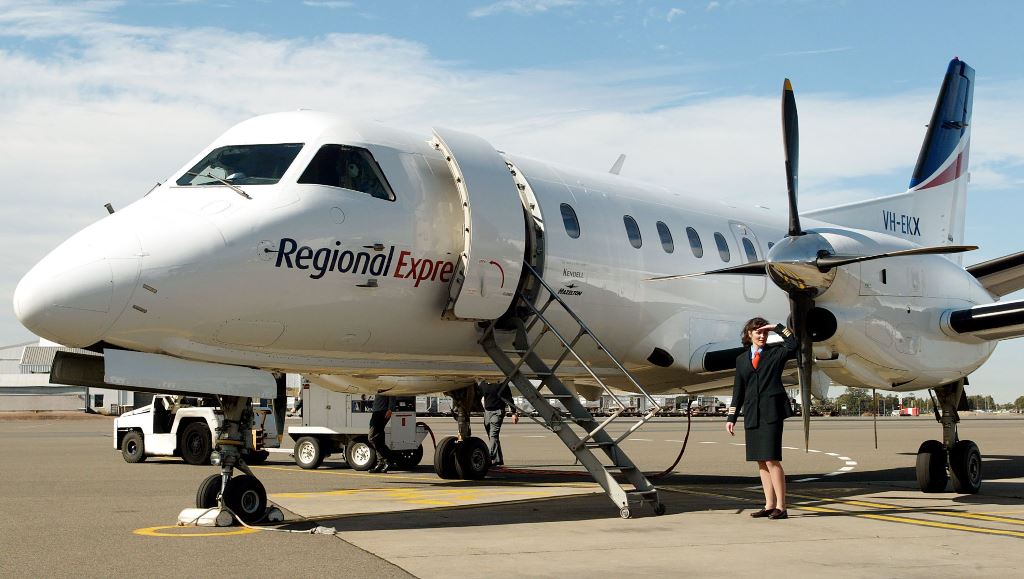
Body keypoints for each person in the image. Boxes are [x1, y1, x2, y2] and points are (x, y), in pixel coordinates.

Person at [726, 317, 798, 520]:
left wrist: (777, 328)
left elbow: (794, 344)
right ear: (749, 334)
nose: (762, 335)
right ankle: (769, 505)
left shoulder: (775, 353)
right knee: (760, 461)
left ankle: (782, 507)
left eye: (764, 332)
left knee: (771, 459)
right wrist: (731, 416)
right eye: (758, 332)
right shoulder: (741, 360)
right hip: (752, 413)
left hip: (771, 412)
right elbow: (738, 391)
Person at [478, 381, 519, 466]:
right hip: (487, 413)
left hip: (498, 412)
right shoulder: (483, 384)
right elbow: (477, 396)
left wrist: (514, 413)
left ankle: (489, 457)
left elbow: (509, 399)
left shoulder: (502, 384)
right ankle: (498, 460)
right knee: (492, 437)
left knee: (493, 435)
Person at [368, 394, 398, 473]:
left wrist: (391, 409)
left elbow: (392, 393)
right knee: (379, 438)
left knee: (371, 437)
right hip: (377, 411)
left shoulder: (384, 384)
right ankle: (381, 462)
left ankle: (390, 458)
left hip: (381, 412)